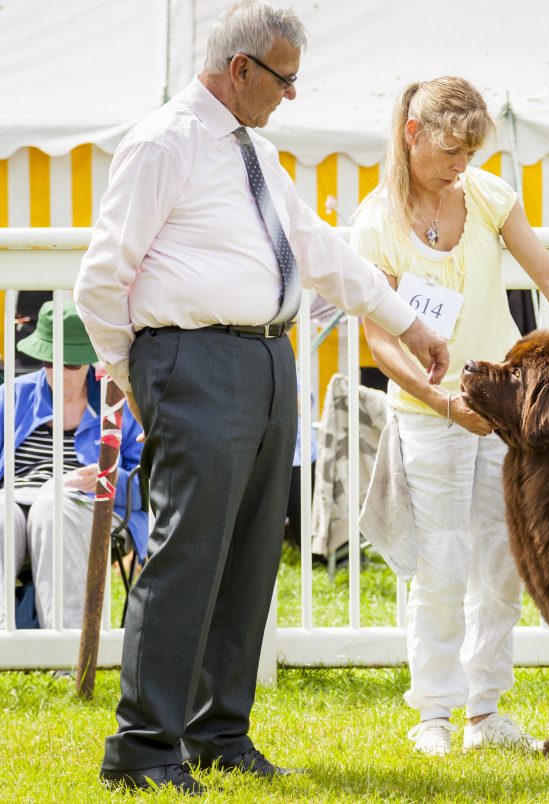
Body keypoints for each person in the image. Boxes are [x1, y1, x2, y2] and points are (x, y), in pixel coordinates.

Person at [73, 1, 448, 795]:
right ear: (240, 69)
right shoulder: (162, 143)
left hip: (268, 362)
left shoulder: (259, 156)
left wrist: (407, 321)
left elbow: (316, 249)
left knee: (250, 557)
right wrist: (129, 375)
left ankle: (219, 733)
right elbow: (102, 280)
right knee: (185, 555)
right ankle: (142, 748)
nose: (293, 95)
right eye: (285, 79)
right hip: (193, 360)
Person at [351, 76, 549, 756]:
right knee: (439, 564)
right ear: (412, 135)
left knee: (500, 563)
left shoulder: (488, 196)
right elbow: (378, 339)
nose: (462, 164)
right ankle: (434, 712)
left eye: (470, 150)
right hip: (429, 414)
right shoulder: (376, 222)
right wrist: (439, 400)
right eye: (451, 150)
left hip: (501, 414)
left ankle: (484, 713)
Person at [0, 301, 145, 629]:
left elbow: (149, 481)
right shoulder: (13, 395)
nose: (59, 372)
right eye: (49, 361)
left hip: (86, 507)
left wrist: (110, 480)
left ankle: (65, 648)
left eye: (70, 364)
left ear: (89, 362)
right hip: (16, 498)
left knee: (53, 507)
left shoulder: (116, 400)